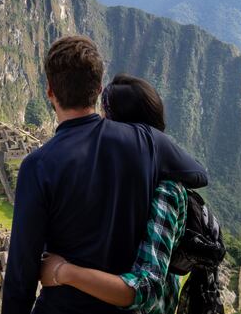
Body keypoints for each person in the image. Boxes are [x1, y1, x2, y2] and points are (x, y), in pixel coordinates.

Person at [1, 36, 207, 314]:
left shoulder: (38, 166)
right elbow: (197, 174)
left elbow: (21, 273)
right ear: (98, 89)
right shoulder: (146, 142)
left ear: (49, 91)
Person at [38, 74, 192, 312]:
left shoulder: (165, 189)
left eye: (106, 118)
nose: (100, 124)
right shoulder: (111, 172)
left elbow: (147, 288)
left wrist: (63, 272)